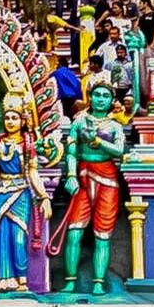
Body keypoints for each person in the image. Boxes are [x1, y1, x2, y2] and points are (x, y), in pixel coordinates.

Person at [0, 90, 52, 292]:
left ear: (23, 120)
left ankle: (22, 280)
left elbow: (32, 172)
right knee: (2, 239)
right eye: (7, 118)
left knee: (19, 238)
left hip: (21, 192)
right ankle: (5, 279)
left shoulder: (27, 144)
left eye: (15, 118)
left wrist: (44, 196)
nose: (10, 121)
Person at [59, 83, 125, 295]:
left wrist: (98, 141)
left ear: (111, 100)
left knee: (103, 235)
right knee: (74, 232)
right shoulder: (79, 122)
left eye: (106, 96)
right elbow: (71, 152)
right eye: (97, 95)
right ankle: (70, 281)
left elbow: (119, 150)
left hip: (107, 181)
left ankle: (98, 282)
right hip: (83, 177)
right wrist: (70, 175)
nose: (100, 99)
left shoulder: (115, 127)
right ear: (90, 97)